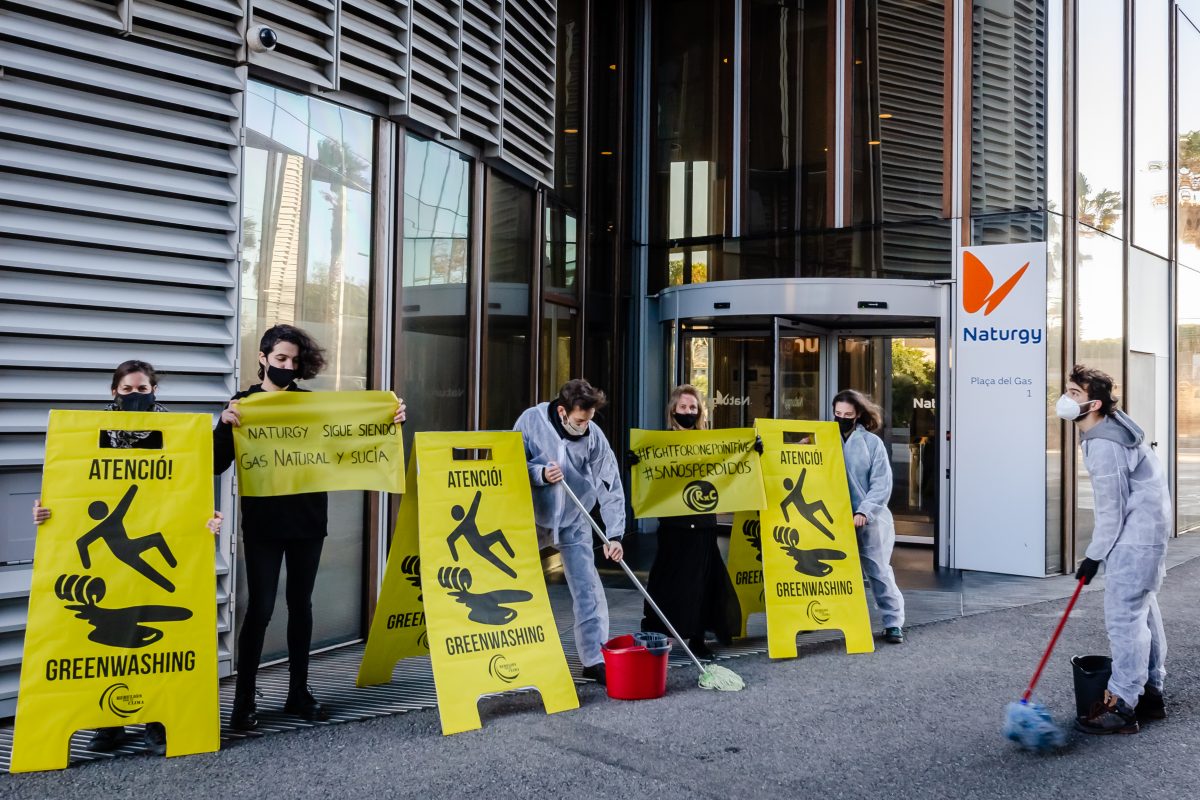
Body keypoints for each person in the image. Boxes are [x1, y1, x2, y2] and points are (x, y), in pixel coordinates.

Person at [214, 324, 405, 730]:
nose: (287, 366)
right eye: (280, 359)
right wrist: (223, 426)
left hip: (307, 521)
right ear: (263, 358)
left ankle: (298, 692)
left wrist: (388, 421)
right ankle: (244, 698)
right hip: (264, 523)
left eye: (294, 361)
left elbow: (349, 442)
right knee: (261, 608)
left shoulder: (310, 405)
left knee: (301, 606)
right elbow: (216, 464)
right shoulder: (244, 405)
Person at [32, 360, 223, 756]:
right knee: (113, 633)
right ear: (112, 392)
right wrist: (47, 513)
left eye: (143, 389)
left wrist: (206, 519)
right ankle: (108, 721)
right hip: (107, 561)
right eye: (127, 389)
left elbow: (191, 486)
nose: (135, 396)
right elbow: (71, 488)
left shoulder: (176, 436)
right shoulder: (88, 435)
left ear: (155, 391)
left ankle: (155, 717)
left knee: (155, 636)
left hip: (159, 530)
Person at [1062, 365, 1171, 735]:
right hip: (1145, 537)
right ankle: (1151, 694)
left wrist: (1093, 556)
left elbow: (1112, 509)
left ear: (1093, 403)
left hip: (1134, 540)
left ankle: (1122, 704)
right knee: (1143, 612)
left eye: (1074, 393)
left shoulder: (1104, 443)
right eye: (1067, 390)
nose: (1065, 399)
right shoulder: (1115, 427)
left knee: (1125, 621)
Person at [514, 379, 625, 685]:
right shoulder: (530, 421)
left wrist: (614, 534)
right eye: (579, 421)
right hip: (533, 518)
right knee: (516, 587)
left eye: (589, 420)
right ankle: (517, 656)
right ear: (562, 411)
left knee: (587, 587)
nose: (584, 426)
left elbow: (610, 484)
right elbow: (509, 464)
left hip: (575, 518)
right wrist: (539, 474)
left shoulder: (593, 436)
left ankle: (593, 658)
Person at [638, 385, 737, 658]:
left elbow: (731, 467)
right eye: (683, 408)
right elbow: (648, 476)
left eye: (693, 408)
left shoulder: (708, 442)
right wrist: (636, 462)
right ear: (673, 410)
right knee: (669, 581)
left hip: (703, 522)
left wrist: (754, 452)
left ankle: (697, 638)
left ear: (699, 411)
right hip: (674, 525)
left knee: (701, 584)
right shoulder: (660, 444)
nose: (688, 412)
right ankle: (662, 630)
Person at [832, 389, 905, 644]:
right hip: (835, 516)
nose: (842, 418)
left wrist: (865, 510)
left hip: (869, 519)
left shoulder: (872, 444)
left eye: (848, 414)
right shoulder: (824, 439)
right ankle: (818, 617)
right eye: (838, 413)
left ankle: (893, 622)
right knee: (829, 570)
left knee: (877, 569)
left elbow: (882, 483)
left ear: (859, 414)